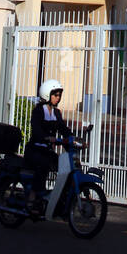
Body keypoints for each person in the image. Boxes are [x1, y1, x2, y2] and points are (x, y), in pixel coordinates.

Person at [24, 79, 73, 213]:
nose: (58, 98)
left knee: (64, 167)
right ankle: (32, 199)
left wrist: (73, 138)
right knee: (44, 164)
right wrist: (46, 138)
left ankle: (55, 198)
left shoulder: (56, 113)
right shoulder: (38, 111)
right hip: (34, 149)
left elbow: (63, 129)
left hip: (46, 150)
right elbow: (36, 130)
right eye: (55, 95)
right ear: (47, 95)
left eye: (59, 95)